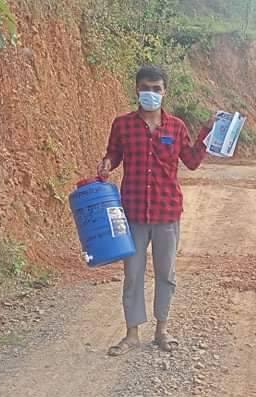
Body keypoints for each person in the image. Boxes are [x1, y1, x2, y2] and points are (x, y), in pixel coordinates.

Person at [98, 64, 215, 356]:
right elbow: (114, 153)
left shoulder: (176, 127)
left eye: (156, 89)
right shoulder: (122, 125)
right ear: (136, 90)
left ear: (165, 92)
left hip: (167, 212)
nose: (150, 93)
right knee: (133, 275)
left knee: (166, 274)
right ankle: (132, 334)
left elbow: (191, 161)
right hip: (133, 212)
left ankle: (162, 330)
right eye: (145, 88)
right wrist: (107, 163)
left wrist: (207, 134)